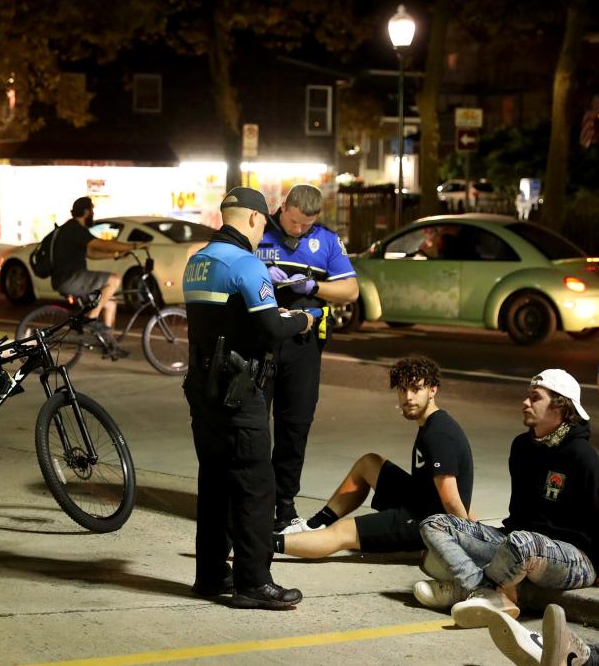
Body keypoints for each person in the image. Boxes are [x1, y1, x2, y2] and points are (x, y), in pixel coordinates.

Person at [182, 186, 314, 610]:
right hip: (240, 391)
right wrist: (301, 320)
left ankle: (210, 575)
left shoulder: (197, 263)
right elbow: (270, 328)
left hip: (203, 391)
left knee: (214, 481)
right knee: (256, 487)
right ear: (256, 219)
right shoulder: (246, 264)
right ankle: (253, 582)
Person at [414, 369, 599, 631]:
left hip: (576, 558)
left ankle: (464, 589)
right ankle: (482, 591)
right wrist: (485, 541)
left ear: (560, 406)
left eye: (535, 398)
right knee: (434, 524)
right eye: (527, 396)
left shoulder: (583, 458)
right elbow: (520, 515)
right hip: (522, 544)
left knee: (521, 542)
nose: (525, 403)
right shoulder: (522, 448)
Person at [272, 356, 474, 560]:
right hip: (420, 501)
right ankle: (314, 525)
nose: (409, 397)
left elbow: (450, 498)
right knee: (370, 463)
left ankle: (261, 545)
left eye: (416, 389)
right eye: (403, 390)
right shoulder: (432, 424)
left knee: (343, 532)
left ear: (433, 390)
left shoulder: (438, 434)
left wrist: (468, 542)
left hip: (427, 524)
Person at [256, 184, 359, 531]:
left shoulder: (326, 241)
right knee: (254, 425)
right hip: (263, 340)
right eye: (295, 221)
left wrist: (313, 287)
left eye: (306, 224)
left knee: (295, 426)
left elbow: (350, 290)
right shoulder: (259, 231)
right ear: (283, 207)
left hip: (304, 345)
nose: (299, 230)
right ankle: (253, 501)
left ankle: (284, 506)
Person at [50, 196, 143, 334]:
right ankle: (90, 318)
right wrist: (133, 246)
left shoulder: (71, 228)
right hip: (69, 279)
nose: (93, 215)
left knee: (110, 302)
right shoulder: (75, 229)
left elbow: (91, 253)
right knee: (114, 280)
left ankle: (109, 344)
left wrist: (115, 255)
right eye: (92, 211)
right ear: (86, 212)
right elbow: (102, 244)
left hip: (70, 278)